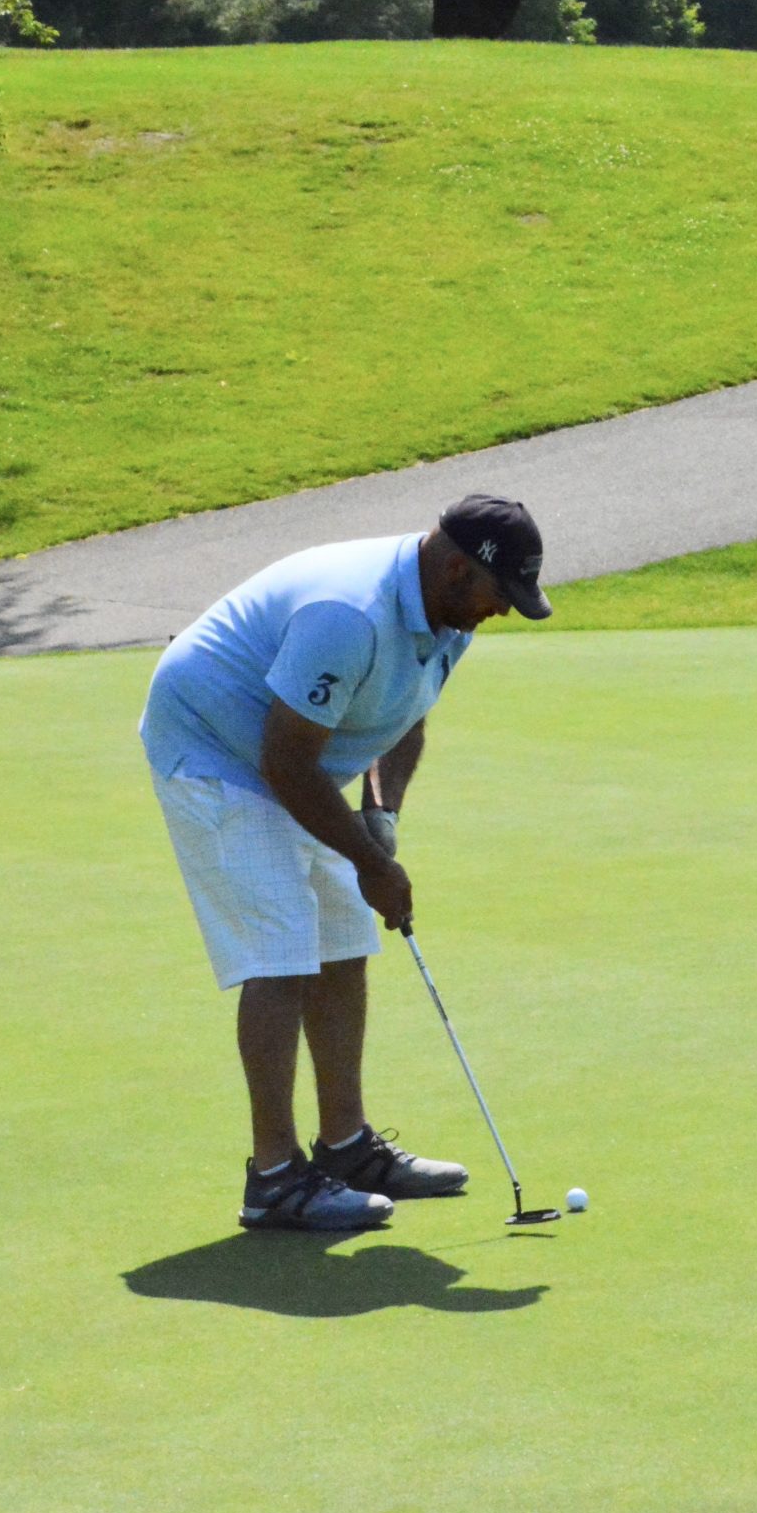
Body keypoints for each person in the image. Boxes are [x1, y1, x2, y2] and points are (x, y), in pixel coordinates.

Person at [139, 495, 552, 1231]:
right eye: (501, 593)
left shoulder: (449, 619)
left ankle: (346, 1146)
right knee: (282, 950)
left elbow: (403, 713)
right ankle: (273, 1179)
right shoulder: (349, 614)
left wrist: (380, 815)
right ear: (458, 570)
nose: (504, 611)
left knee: (343, 940)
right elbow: (284, 763)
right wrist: (370, 864)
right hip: (213, 748)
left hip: (293, 759)